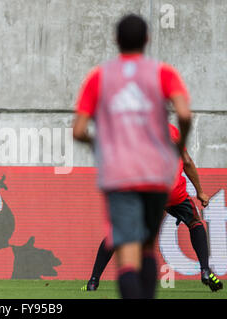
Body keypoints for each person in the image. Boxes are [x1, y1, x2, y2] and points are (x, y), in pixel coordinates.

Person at [73, 14, 192, 298]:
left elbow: (78, 130)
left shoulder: (99, 76)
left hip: (120, 174)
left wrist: (101, 144)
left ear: (116, 41)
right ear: (148, 39)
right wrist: (179, 144)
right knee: (148, 248)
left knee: (127, 251)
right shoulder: (164, 73)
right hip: (154, 174)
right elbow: (185, 114)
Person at [82, 123, 223, 293]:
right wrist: (200, 192)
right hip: (173, 192)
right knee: (194, 222)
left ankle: (93, 282)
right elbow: (186, 161)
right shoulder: (172, 130)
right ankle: (205, 270)